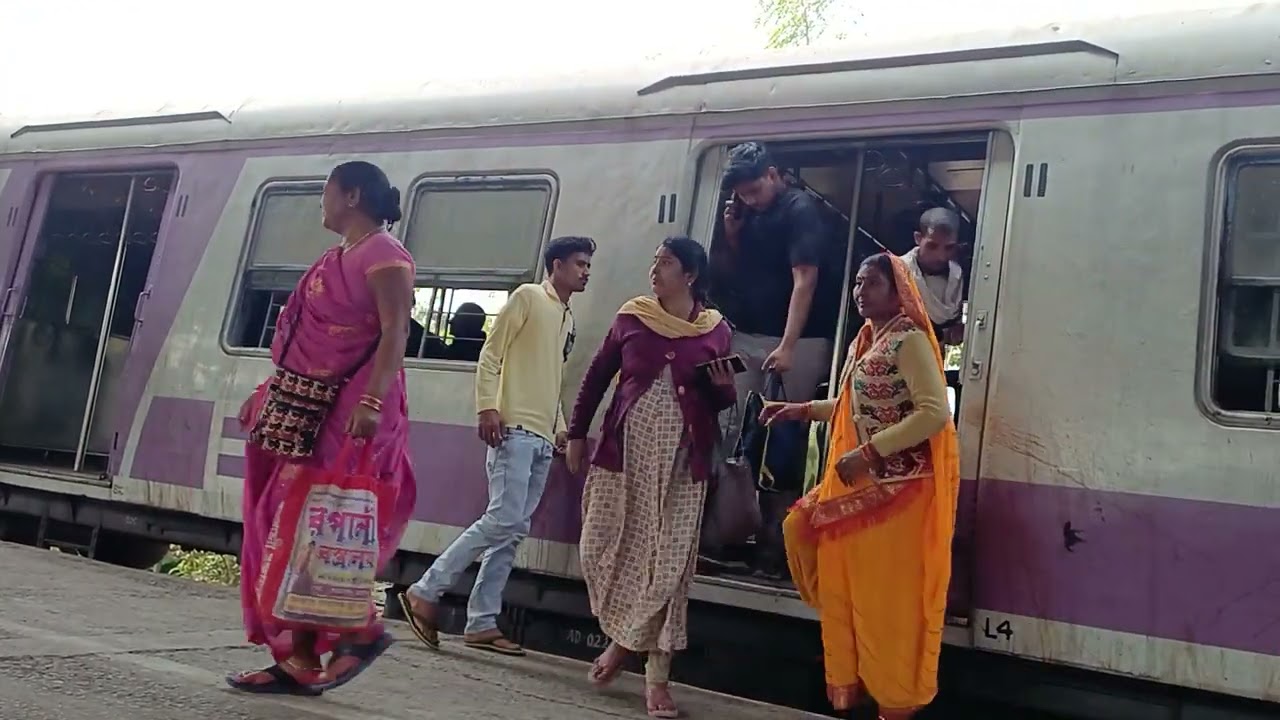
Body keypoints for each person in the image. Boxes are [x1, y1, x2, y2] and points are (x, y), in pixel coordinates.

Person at [229, 160, 418, 695]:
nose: (322, 202)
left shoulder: (385, 255)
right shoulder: (336, 257)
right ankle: (304, 654)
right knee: (295, 522)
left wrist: (372, 401)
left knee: (319, 523)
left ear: (352, 195)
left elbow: (396, 333)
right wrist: (270, 390)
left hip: (352, 408)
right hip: (310, 407)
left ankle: (355, 632)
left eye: (327, 192)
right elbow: (302, 340)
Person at [767, 253, 959, 718]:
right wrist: (802, 410)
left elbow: (935, 412)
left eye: (871, 283)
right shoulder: (868, 340)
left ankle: (894, 704)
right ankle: (856, 664)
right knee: (804, 534)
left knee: (884, 605)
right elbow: (853, 406)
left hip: (899, 494)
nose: (859, 291)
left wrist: (871, 452)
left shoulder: (909, 340)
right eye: (856, 282)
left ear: (898, 291)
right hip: (859, 489)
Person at [564, 236, 737, 719]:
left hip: (683, 464)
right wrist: (577, 434)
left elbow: (722, 402)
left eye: (666, 263)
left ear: (690, 276)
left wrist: (724, 389)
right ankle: (625, 637)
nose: (655, 270)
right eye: (654, 262)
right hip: (625, 457)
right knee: (599, 545)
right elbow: (597, 377)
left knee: (668, 568)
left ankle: (656, 679)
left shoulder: (714, 329)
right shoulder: (633, 316)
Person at [400, 236, 595, 656]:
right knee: (503, 519)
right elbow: (491, 355)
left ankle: (482, 621)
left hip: (541, 437)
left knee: (512, 530)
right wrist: (487, 407)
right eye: (579, 263)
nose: (586, 271)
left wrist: (560, 428)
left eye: (587, 265)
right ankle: (425, 590)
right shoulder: (528, 297)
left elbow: (552, 379)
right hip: (514, 430)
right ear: (557, 266)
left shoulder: (566, 317)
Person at [713, 141, 840, 577]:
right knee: (735, 434)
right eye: (742, 194)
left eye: (754, 190)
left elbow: (805, 279)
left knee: (781, 440)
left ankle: (776, 543)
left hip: (796, 340)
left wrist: (788, 344)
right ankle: (731, 532)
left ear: (773, 174)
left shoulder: (799, 210)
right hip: (749, 333)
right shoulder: (749, 214)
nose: (750, 200)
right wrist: (732, 234)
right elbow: (739, 270)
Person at [903, 207, 965, 347]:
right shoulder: (898, 272)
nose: (941, 256)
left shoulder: (959, 276)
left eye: (949, 248)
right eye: (932, 246)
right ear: (918, 238)